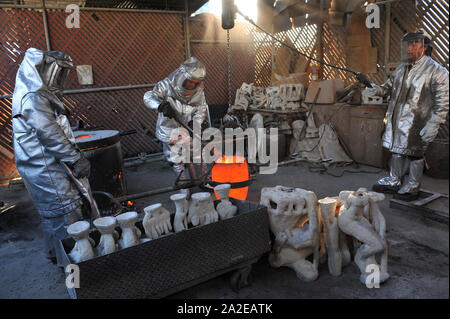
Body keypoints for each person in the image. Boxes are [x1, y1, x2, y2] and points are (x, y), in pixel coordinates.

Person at [12, 48, 91, 266]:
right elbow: (48, 132)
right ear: (43, 70)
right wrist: (75, 158)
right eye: (58, 73)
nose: (61, 79)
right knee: (66, 210)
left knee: (52, 213)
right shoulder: (33, 97)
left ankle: (54, 253)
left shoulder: (33, 94)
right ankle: (76, 266)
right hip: (45, 167)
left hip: (41, 164)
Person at [369, 29, 449, 199]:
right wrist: (378, 90)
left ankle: (413, 186)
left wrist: (434, 123)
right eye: (407, 44)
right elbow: (389, 88)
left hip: (418, 122)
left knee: (415, 154)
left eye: (415, 44)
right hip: (397, 121)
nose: (409, 48)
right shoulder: (401, 69)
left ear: (425, 47)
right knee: (397, 151)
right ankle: (394, 180)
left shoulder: (437, 71)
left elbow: (444, 100)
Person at [143, 57, 209, 186]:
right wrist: (160, 105)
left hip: (187, 129)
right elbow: (148, 96)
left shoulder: (198, 91)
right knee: (176, 158)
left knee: (197, 153)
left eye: (195, 83)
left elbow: (201, 109)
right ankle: (183, 184)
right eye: (190, 82)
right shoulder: (166, 85)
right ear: (181, 76)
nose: (192, 85)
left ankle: (205, 179)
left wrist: (196, 124)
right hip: (169, 129)